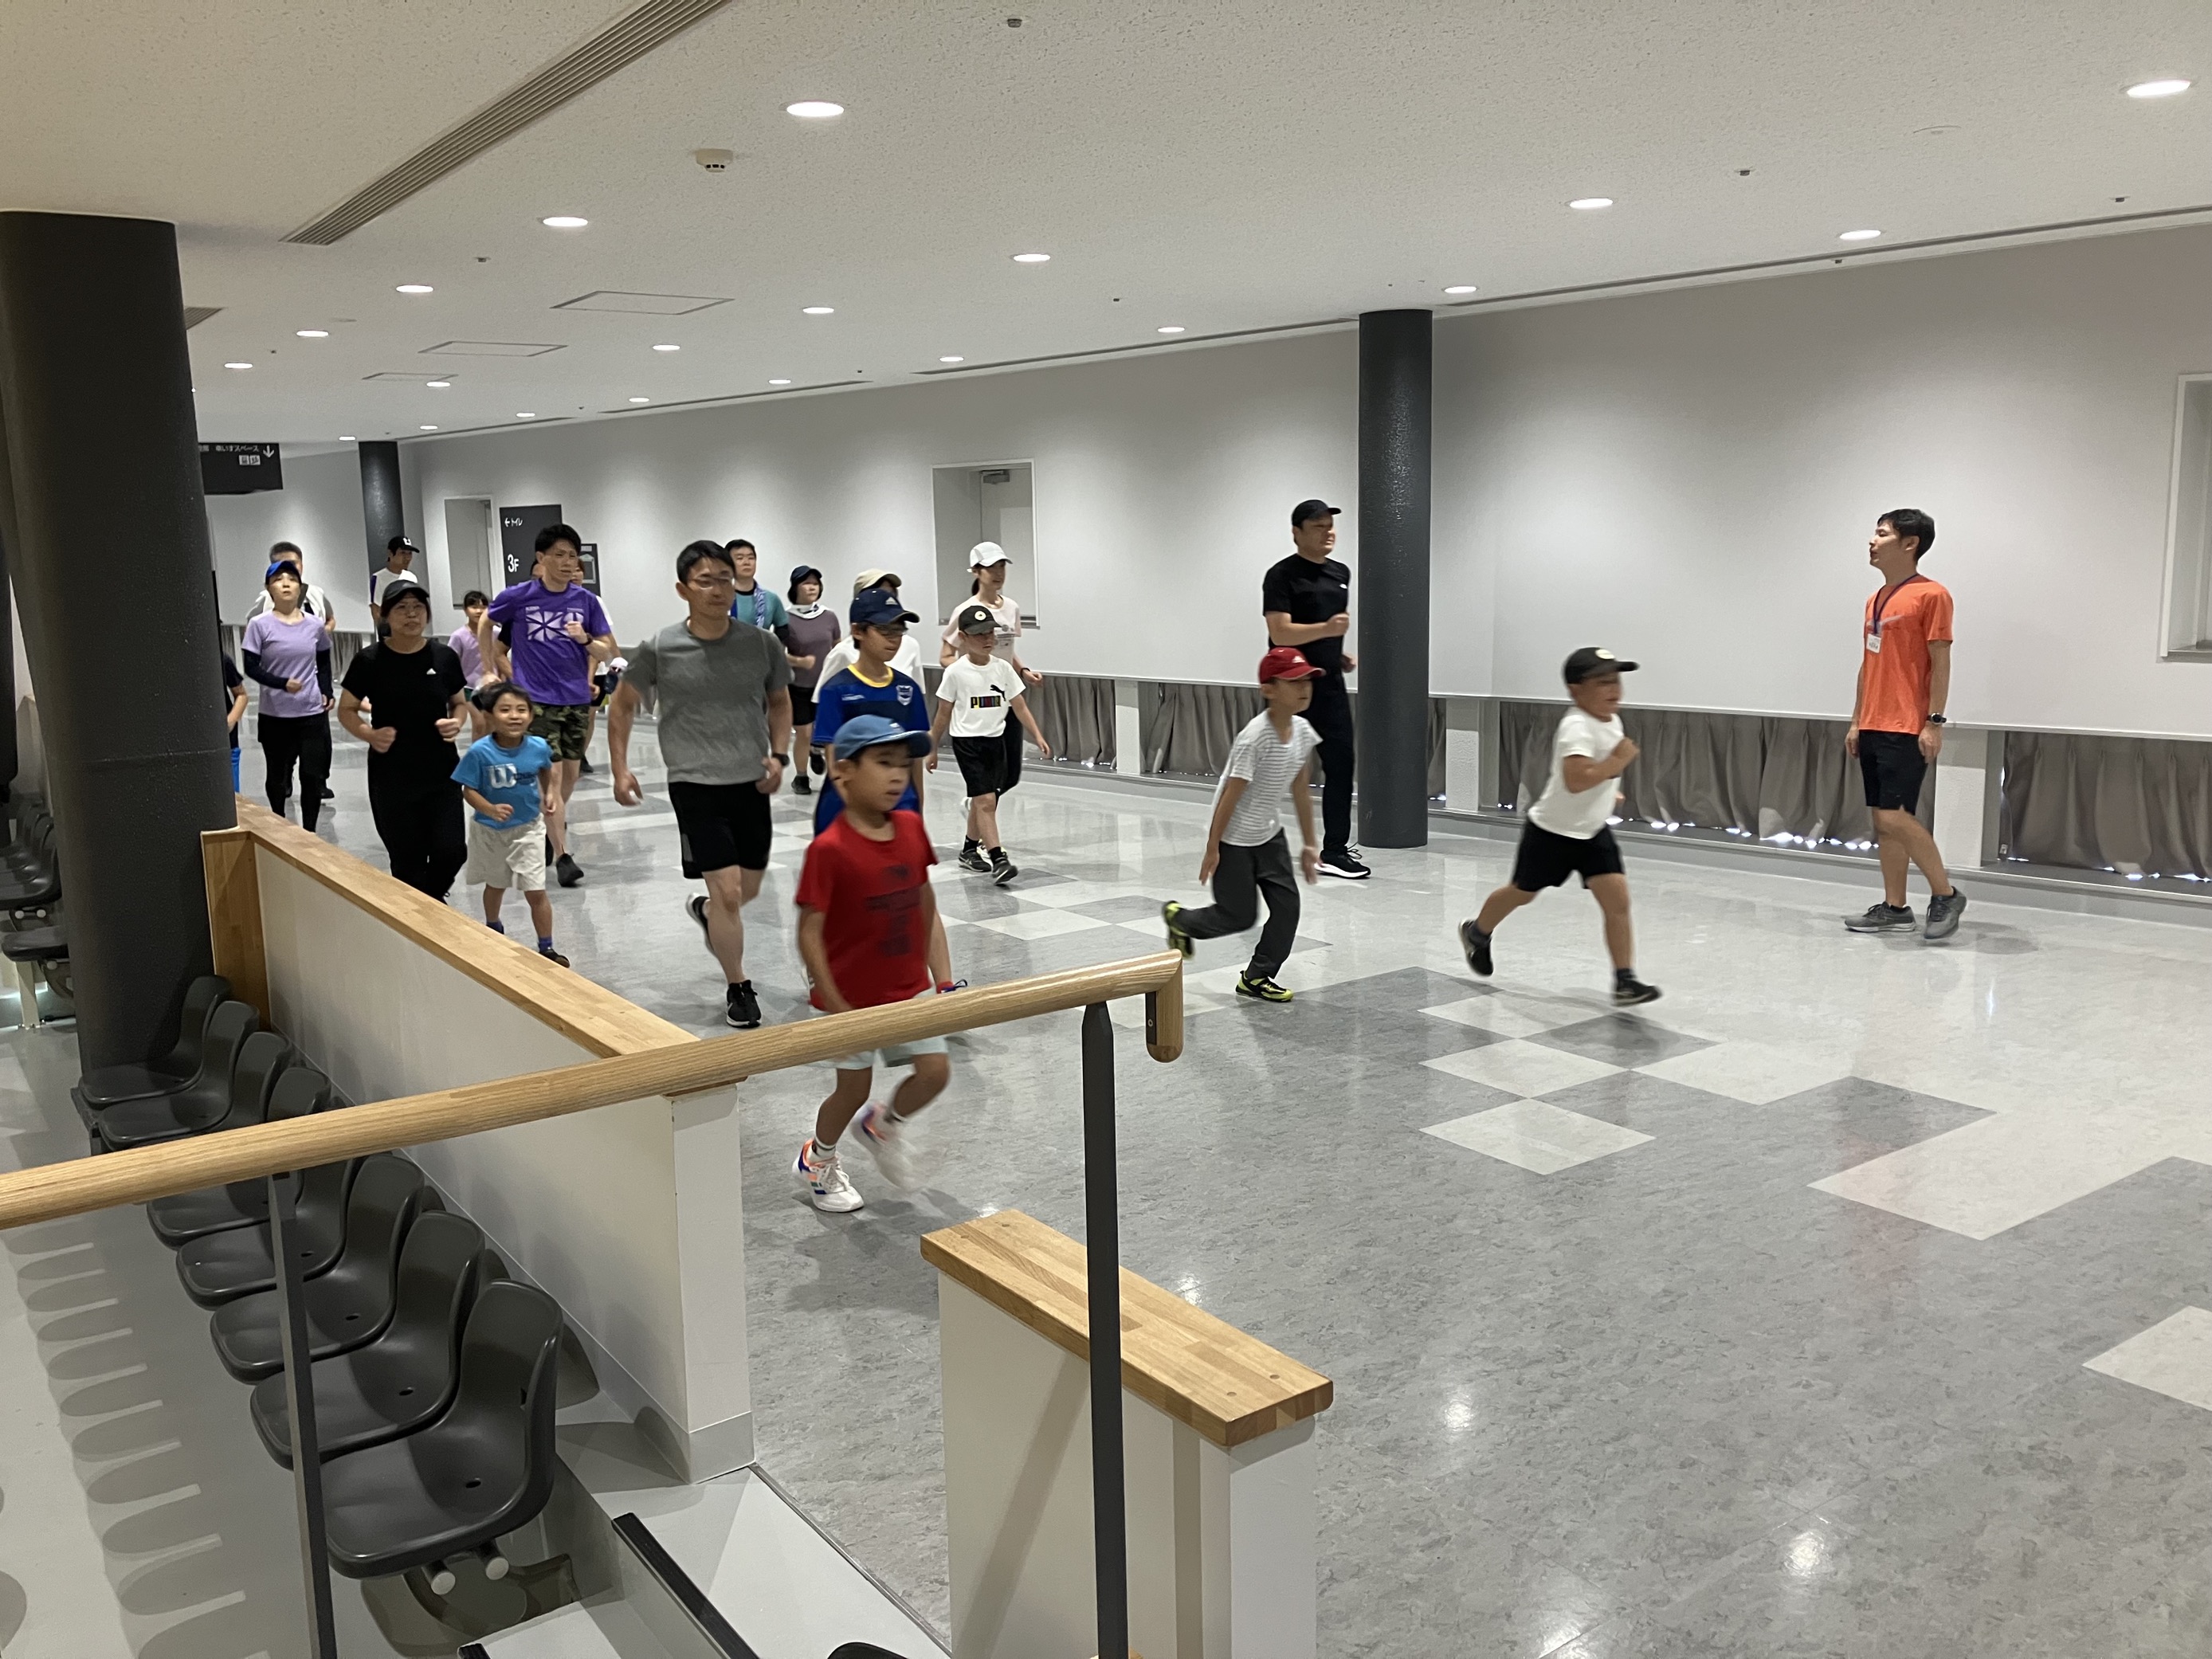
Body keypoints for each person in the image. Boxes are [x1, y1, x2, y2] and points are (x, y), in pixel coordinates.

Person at [610, 541, 794, 1030]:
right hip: (694, 783)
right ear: (683, 589)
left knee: (745, 890)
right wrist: (620, 768)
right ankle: (739, 987)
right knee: (730, 892)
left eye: (725, 579)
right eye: (705, 581)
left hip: (751, 782)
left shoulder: (761, 644)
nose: (718, 590)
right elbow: (622, 705)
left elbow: (779, 702)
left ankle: (708, 912)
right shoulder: (660, 647)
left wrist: (779, 755)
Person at [789, 714, 955, 1213]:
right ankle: (818, 1158)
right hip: (850, 998)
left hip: (908, 987)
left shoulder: (911, 828)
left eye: (903, 765)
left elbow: (925, 903)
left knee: (935, 1071)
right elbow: (809, 931)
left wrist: (942, 980)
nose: (897, 776)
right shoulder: (829, 850)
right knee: (852, 1089)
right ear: (842, 771)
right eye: (884, 763)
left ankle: (882, 1126)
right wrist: (836, 1004)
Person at [1457, 648, 1661, 1006]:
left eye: (1616, 681)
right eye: (1603, 683)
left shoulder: (1611, 721)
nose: (1614, 690)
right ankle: (1477, 932)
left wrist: (1609, 791)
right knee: (1523, 892)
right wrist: (1618, 762)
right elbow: (1577, 780)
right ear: (1575, 690)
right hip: (1552, 833)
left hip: (1592, 831)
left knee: (1617, 900)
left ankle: (1625, 981)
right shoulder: (1576, 727)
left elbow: (1594, 775)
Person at [1162, 647, 1324, 1003]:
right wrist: (1213, 848)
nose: (1304, 688)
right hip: (1234, 840)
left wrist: (1310, 843)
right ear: (1268, 689)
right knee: (1238, 917)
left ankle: (1256, 977)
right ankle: (1181, 920)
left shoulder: (1302, 731)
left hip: (1269, 836)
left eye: (1307, 680)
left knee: (1288, 909)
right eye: (1294, 682)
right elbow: (1229, 795)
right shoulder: (1255, 738)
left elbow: (1301, 788)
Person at [1844, 508, 1964, 941]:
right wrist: (1857, 720)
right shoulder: (1875, 599)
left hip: (1907, 725)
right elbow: (1868, 663)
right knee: (1884, 821)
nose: (1872, 541)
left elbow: (1940, 661)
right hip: (1874, 722)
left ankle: (1946, 894)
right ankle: (1895, 908)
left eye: (1882, 534)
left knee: (1895, 817)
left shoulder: (1932, 595)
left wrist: (1934, 722)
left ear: (1910, 543)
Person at [480, 524, 615, 888]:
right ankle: (563, 855)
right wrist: (490, 669)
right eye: (560, 555)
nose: (568, 562)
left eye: (573, 556)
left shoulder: (586, 601)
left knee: (569, 776)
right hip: (537, 700)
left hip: (576, 699)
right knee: (551, 777)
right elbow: (486, 621)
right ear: (541, 559)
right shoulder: (520, 596)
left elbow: (606, 650)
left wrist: (585, 640)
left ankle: (546, 827)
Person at [337, 577, 469, 900]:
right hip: (392, 773)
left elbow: (459, 702)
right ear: (385, 615)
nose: (412, 614)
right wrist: (369, 734)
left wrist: (456, 722)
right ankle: (423, 914)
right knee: (407, 860)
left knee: (452, 851)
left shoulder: (443, 657)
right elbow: (347, 710)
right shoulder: (370, 660)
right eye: (402, 608)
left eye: (418, 607)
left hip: (441, 770)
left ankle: (428, 902)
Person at [1264, 499, 1368, 880]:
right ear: (1297, 533)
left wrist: (1336, 655)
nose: (1328, 533)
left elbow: (1324, 632)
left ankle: (1334, 851)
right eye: (1318, 527)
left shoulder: (1341, 572)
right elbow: (1280, 633)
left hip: (1329, 684)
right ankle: (1247, 842)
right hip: (1288, 686)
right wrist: (1327, 630)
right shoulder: (1281, 575)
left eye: (1329, 526)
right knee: (1271, 766)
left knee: (1341, 764)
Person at [930, 602, 1051, 884]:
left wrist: (1037, 735)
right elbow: (943, 713)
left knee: (986, 799)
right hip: (967, 743)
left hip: (995, 741)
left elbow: (1019, 706)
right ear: (963, 638)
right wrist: (932, 748)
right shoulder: (956, 672)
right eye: (979, 634)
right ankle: (999, 859)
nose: (987, 639)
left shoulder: (1003, 669)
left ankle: (968, 850)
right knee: (985, 800)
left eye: (990, 633)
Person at [453, 682, 567, 966]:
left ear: (531, 715)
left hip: (529, 829)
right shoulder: (480, 752)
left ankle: (547, 947)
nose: (514, 716)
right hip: (490, 831)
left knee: (536, 889)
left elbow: (547, 769)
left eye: (521, 710)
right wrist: (489, 809)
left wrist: (550, 793)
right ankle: (493, 927)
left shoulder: (538, 746)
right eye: (505, 710)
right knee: (496, 884)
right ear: (489, 715)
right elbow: (468, 790)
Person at [807, 588, 931, 835]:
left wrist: (917, 808)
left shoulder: (908, 688)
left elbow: (914, 759)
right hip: (847, 807)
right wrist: (859, 816)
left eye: (899, 631)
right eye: (885, 630)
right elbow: (835, 762)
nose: (894, 639)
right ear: (858, 631)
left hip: (900, 801)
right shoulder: (837, 690)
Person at [939, 542, 1045, 802]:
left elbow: (1005, 651)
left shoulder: (1011, 608)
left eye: (1002, 567)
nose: (998, 573)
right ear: (976, 571)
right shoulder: (964, 611)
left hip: (1006, 695)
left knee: (1010, 775)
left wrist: (1023, 671)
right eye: (991, 568)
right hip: (979, 701)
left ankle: (976, 805)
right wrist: (972, 675)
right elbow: (946, 656)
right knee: (988, 776)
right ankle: (980, 811)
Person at [241, 561, 335, 829]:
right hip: (275, 715)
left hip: (311, 714)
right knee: (278, 777)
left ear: (299, 587)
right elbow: (251, 667)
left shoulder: (315, 625)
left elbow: (323, 659)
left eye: (292, 579)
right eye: (278, 579)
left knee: (312, 775)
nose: (285, 584)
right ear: (269, 589)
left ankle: (310, 832)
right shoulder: (259, 625)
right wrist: (282, 683)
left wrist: (326, 689)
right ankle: (280, 825)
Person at [779, 565, 841, 796]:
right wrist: (798, 661)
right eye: (806, 583)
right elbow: (777, 654)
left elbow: (838, 647)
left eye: (815, 583)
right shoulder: (786, 619)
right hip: (798, 686)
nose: (812, 587)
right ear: (795, 588)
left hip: (826, 686)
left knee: (828, 733)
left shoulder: (829, 616)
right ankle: (801, 776)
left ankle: (820, 755)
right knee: (803, 732)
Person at [815, 570, 925, 684]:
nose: (887, 599)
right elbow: (825, 691)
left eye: (892, 594)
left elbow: (918, 689)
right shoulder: (842, 652)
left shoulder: (910, 646)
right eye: (877, 593)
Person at [246, 540, 336, 636]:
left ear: (301, 565)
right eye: (280, 565)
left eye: (292, 564)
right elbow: (250, 627)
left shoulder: (316, 593)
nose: (287, 569)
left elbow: (330, 619)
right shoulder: (266, 597)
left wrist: (325, 631)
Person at [451, 590, 494, 739]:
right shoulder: (459, 636)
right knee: (479, 722)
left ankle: (489, 751)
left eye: (483, 607)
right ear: (465, 610)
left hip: (492, 687)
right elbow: (452, 661)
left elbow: (500, 657)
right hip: (468, 688)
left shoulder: (496, 633)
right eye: (474, 607)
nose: (479, 611)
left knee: (492, 725)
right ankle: (477, 752)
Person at [724, 539, 789, 631]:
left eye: (751, 558)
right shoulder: (722, 597)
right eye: (740, 558)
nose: (746, 562)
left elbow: (783, 631)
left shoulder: (771, 598)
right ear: (728, 564)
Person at [368, 535, 420, 631]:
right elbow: (376, 609)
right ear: (390, 553)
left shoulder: (412, 578)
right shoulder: (378, 578)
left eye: (410, 553)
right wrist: (384, 632)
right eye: (403, 553)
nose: (407, 558)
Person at [222, 652, 247, 792]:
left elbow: (242, 695)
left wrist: (230, 721)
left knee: (232, 798)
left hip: (227, 745)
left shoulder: (221, 659)